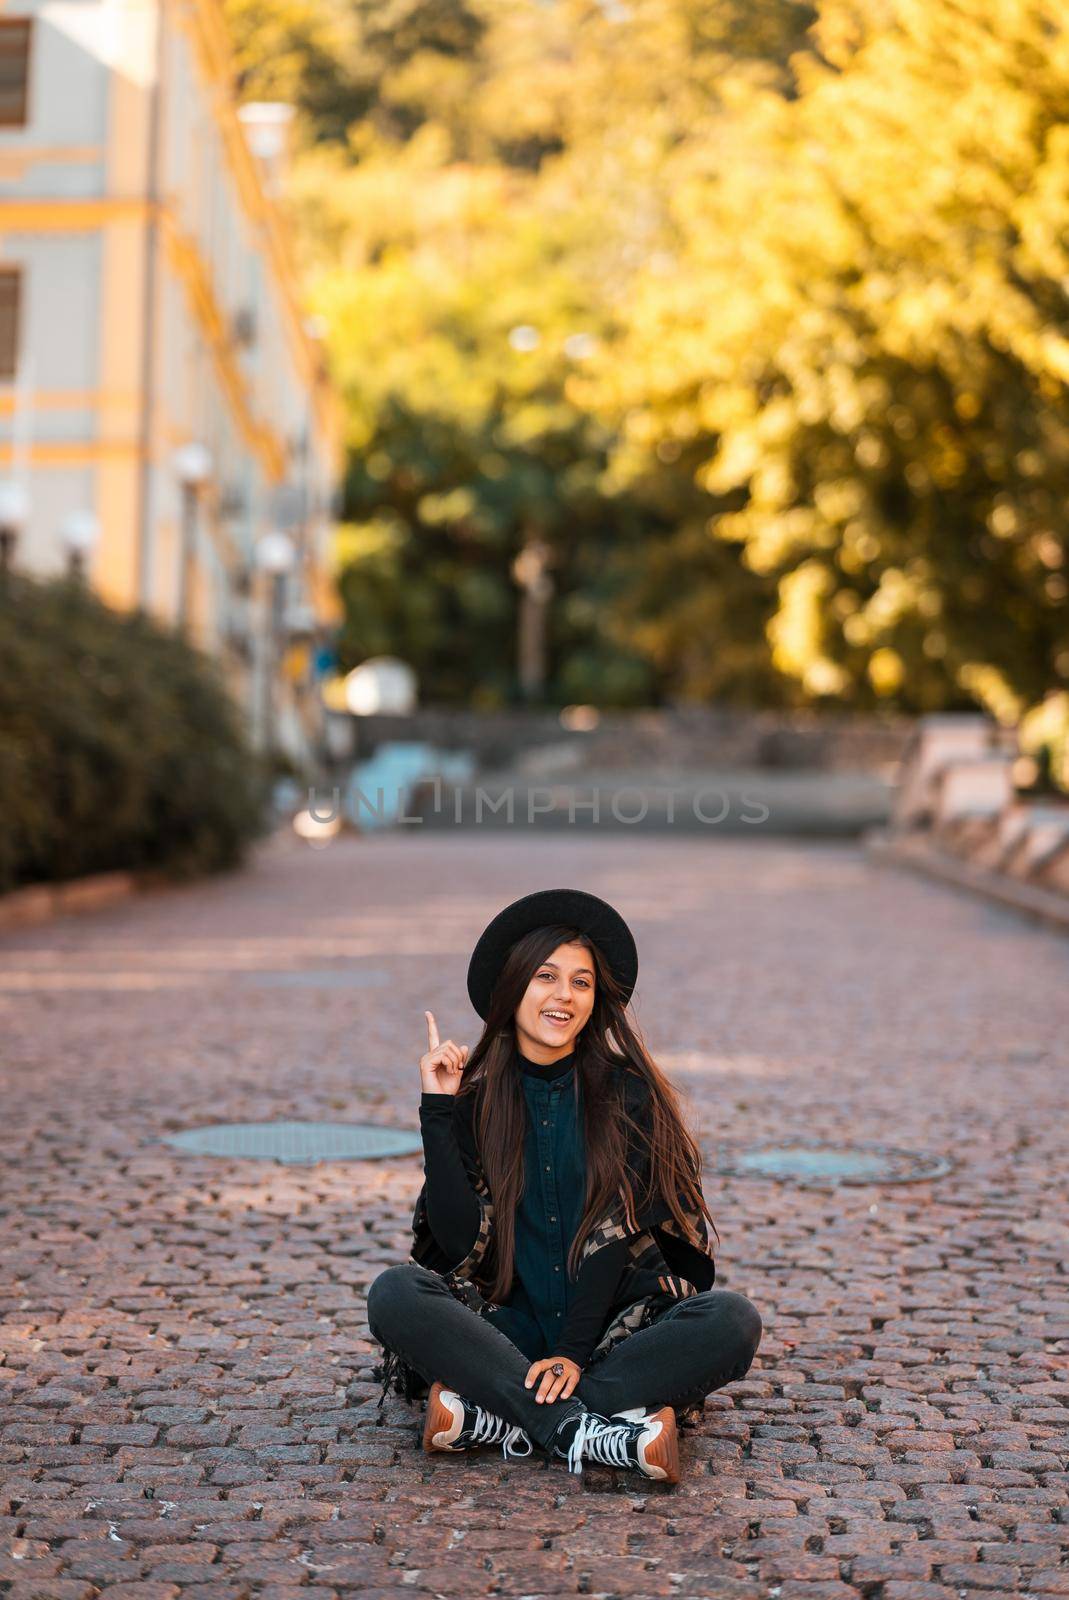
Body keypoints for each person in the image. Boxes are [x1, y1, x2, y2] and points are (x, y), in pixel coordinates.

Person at [366, 888, 763, 1483]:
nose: (564, 996)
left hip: (611, 1332)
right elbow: (453, 1242)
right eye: (547, 977)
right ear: (513, 987)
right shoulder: (476, 1101)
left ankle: (495, 1417)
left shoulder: (629, 1096)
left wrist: (575, 1354)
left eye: (581, 982)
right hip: (508, 1331)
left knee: (732, 1320)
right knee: (394, 1292)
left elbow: (614, 1239)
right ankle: (589, 1432)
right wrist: (438, 1110)